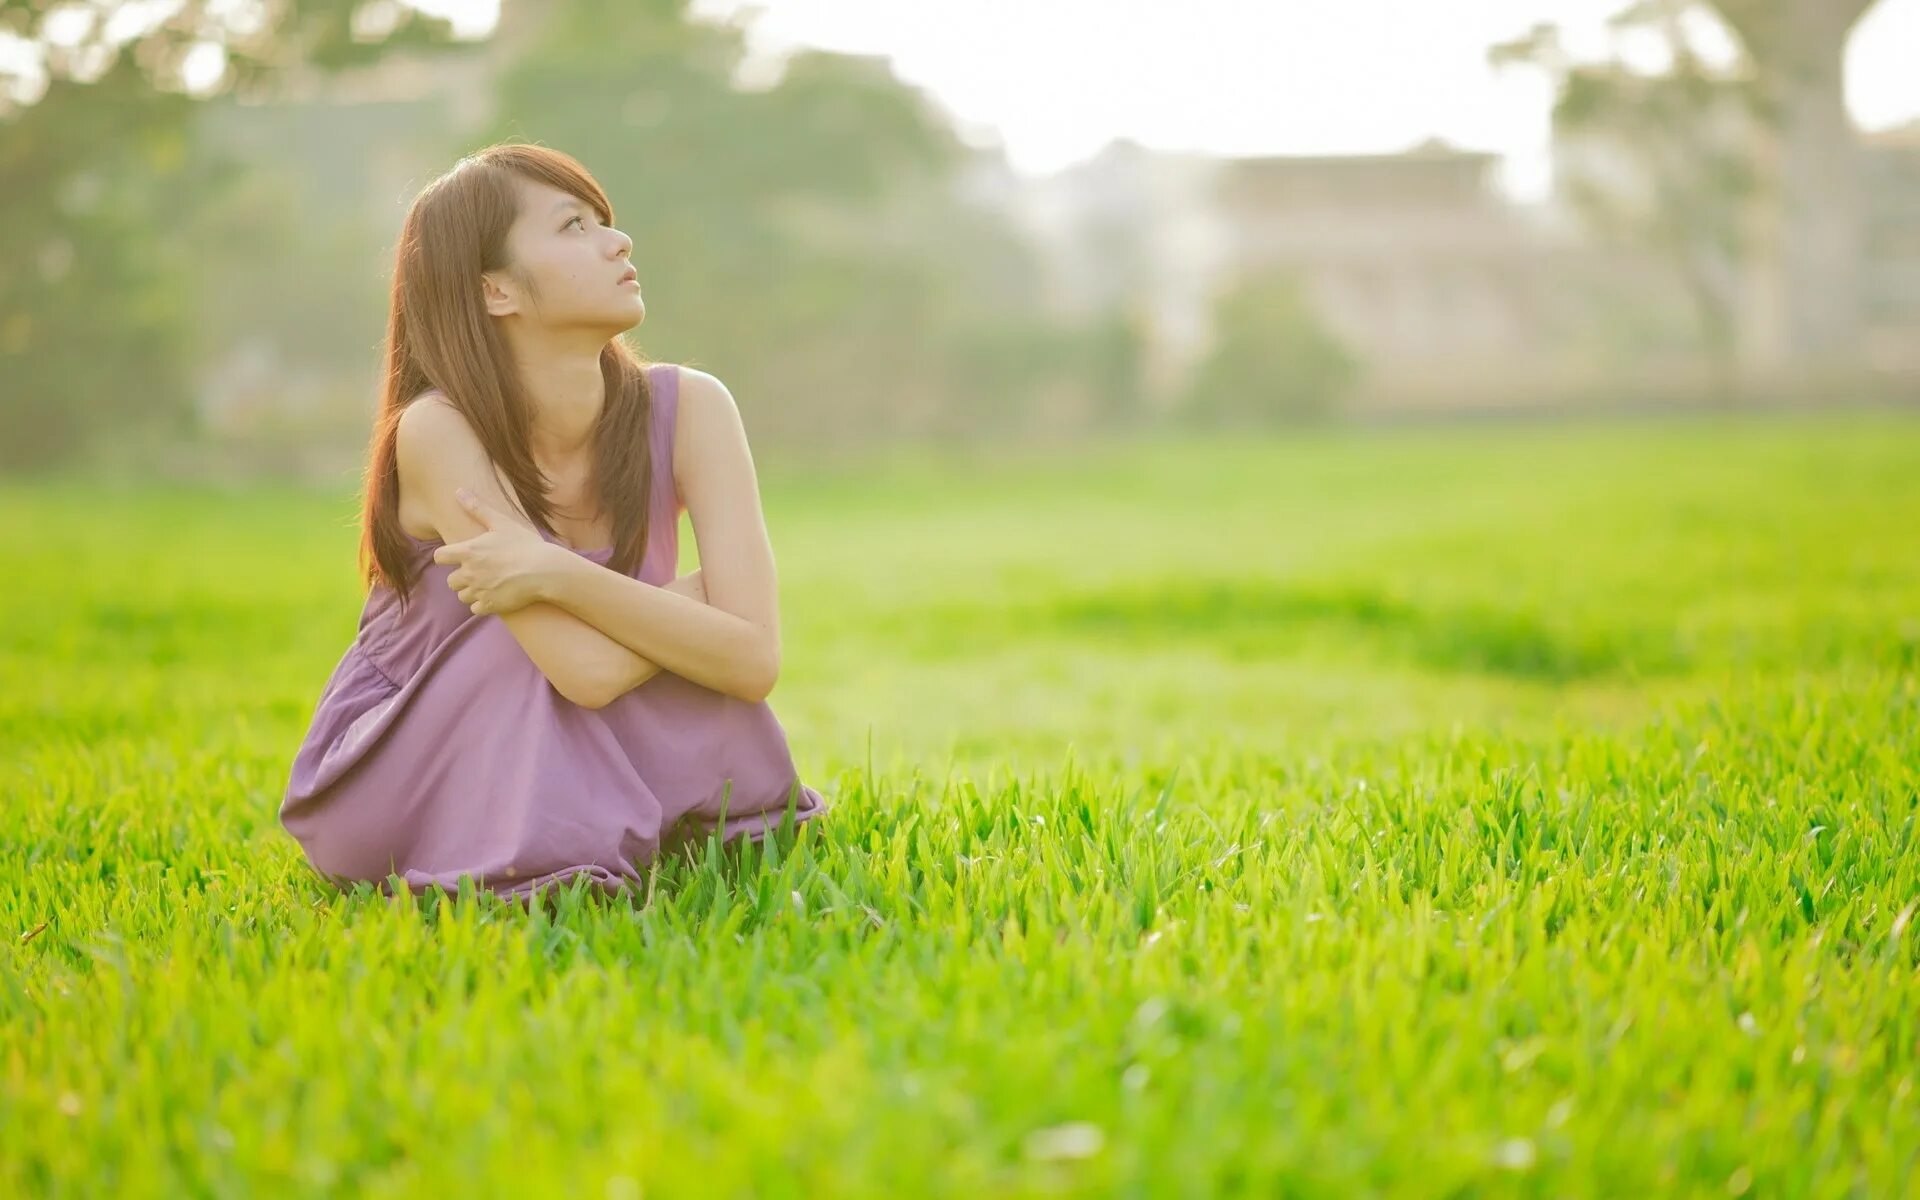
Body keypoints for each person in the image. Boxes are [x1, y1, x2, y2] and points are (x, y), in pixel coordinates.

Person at [281, 143, 829, 902]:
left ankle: (664, 826)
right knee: (515, 645)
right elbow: (587, 671)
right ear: (496, 291)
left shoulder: (695, 406)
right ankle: (546, 854)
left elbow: (752, 662)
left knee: (674, 656)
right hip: (410, 766)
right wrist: (698, 600)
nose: (618, 241)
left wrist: (557, 572)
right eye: (573, 226)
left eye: (605, 221)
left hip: (581, 736)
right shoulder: (440, 430)